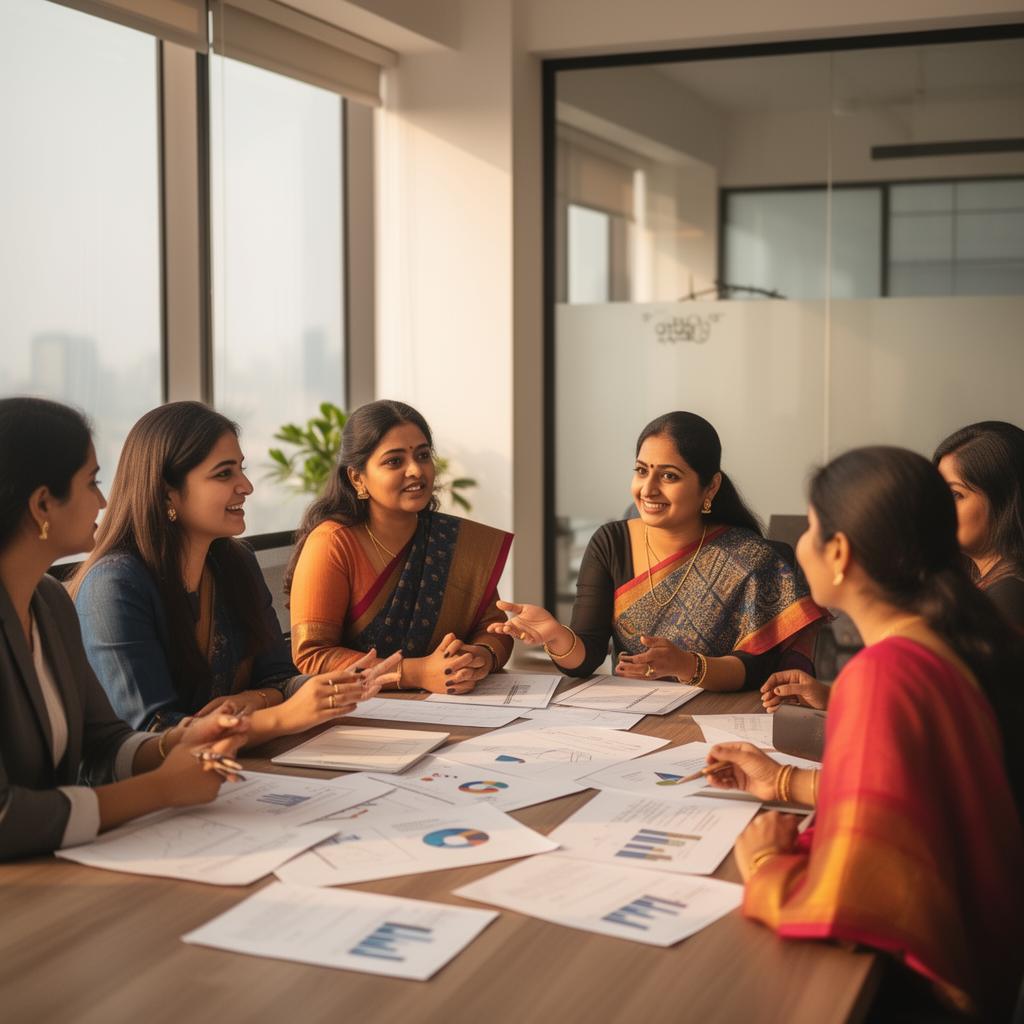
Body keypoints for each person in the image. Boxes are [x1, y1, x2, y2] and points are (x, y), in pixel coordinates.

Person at [705, 447, 1023, 1019]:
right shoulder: (936, 643)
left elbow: (852, 902)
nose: (800, 544)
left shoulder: (883, 676)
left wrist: (766, 868)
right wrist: (780, 782)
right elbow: (904, 800)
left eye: (811, 527)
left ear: (840, 552)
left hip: (928, 991)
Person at [0, 397, 250, 861]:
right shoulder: (110, 583)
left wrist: (176, 741)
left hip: (57, 865)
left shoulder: (50, 602)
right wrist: (161, 788)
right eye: (91, 481)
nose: (103, 499)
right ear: (41, 504)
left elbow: (103, 745)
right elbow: (5, 816)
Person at [70, 402, 398, 740]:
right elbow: (152, 735)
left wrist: (332, 684)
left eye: (241, 469)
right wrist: (281, 716)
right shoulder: (114, 585)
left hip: (238, 767)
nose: (246, 486)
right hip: (152, 789)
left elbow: (279, 678)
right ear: (168, 492)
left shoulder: (236, 562)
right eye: (224, 473)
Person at [490, 411, 824, 690]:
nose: (648, 489)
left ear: (711, 486)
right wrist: (556, 635)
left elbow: (758, 668)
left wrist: (687, 666)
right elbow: (587, 657)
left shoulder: (749, 559)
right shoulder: (611, 543)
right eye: (641, 470)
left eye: (669, 475)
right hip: (633, 720)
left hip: (719, 717)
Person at [763, 419, 1024, 713]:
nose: (936, 510)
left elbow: (944, 719)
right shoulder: (974, 579)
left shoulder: (1011, 597)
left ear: (1007, 500)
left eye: (954, 495)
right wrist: (833, 697)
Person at [286, 400, 513, 694]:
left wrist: (480, 657)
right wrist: (413, 673)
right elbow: (312, 654)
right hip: (362, 713)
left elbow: (494, 628)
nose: (416, 471)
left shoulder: (449, 542)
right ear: (357, 478)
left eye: (422, 455)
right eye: (394, 461)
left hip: (453, 706)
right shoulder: (333, 543)